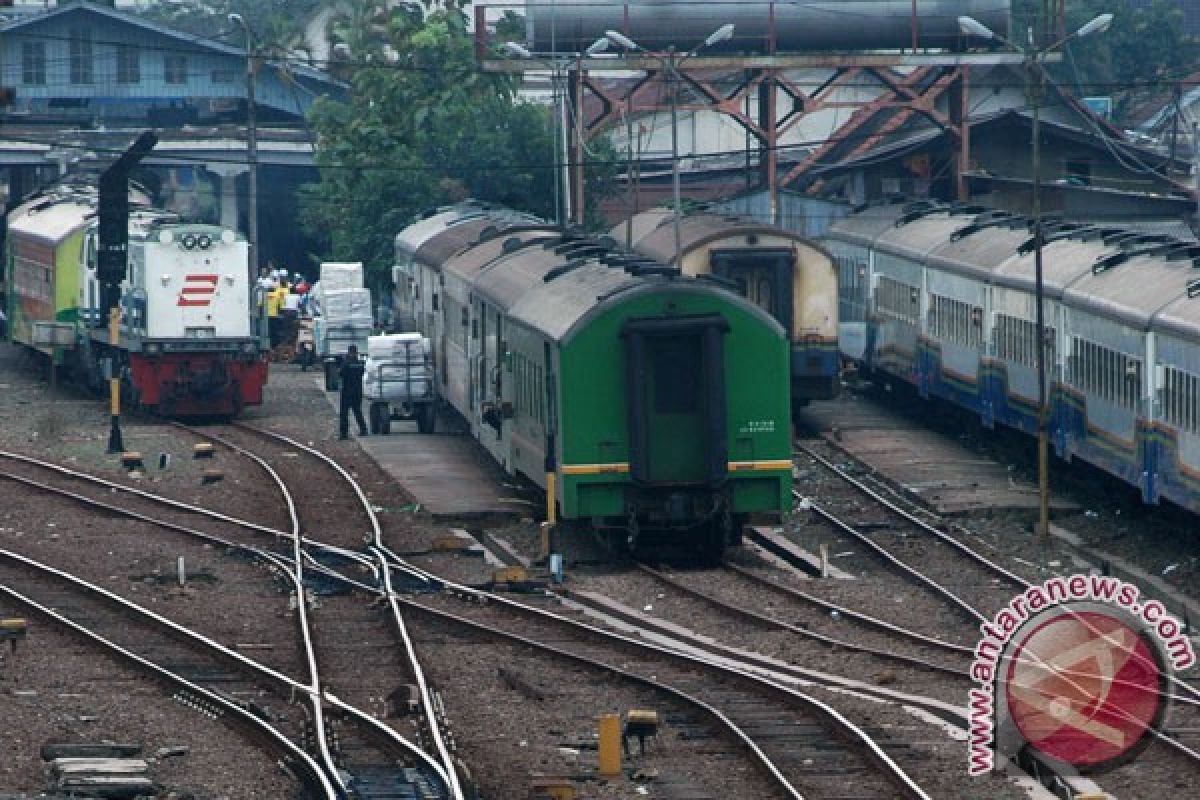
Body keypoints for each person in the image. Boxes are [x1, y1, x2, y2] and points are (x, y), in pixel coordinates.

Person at [338, 344, 368, 440]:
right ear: (356, 352)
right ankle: (363, 429)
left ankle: (344, 434)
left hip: (346, 391)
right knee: (357, 411)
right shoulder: (360, 363)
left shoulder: (346, 363)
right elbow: (363, 373)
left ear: (349, 352)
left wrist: (342, 361)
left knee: (344, 413)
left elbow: (340, 373)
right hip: (357, 391)